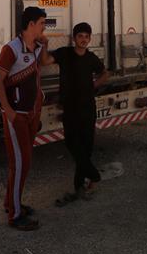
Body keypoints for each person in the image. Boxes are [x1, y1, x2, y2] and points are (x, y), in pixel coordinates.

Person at [0, 6, 53, 231]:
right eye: (41, 24)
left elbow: (44, 63)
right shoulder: (11, 49)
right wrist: (8, 110)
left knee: (22, 163)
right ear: (30, 25)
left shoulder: (36, 47)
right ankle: (15, 215)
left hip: (30, 115)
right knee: (21, 163)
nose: (44, 28)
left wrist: (45, 45)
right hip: (16, 116)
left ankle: (11, 203)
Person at [44, 22, 109, 206]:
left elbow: (105, 73)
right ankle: (94, 176)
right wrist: (45, 46)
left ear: (89, 39)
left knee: (86, 148)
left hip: (88, 108)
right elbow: (45, 61)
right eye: (80, 36)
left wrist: (94, 85)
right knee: (72, 144)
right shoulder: (65, 54)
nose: (83, 40)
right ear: (74, 38)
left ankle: (79, 186)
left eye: (86, 37)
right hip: (70, 109)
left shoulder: (91, 58)